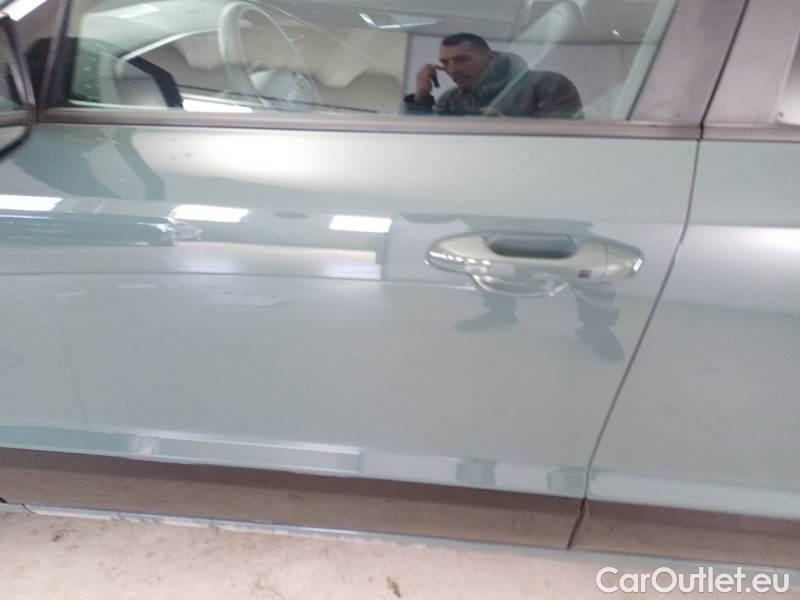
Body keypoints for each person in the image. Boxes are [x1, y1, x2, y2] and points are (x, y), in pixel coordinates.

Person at [404, 33, 582, 118]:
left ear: (490, 58)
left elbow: (565, 146)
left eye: (462, 60)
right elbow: (423, 143)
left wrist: (506, 129)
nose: (452, 70)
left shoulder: (547, 85)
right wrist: (421, 96)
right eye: (444, 63)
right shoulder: (450, 99)